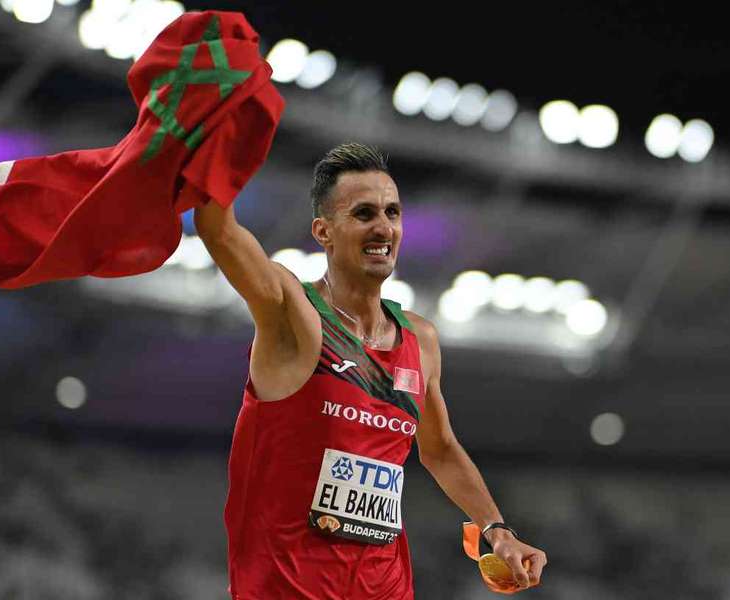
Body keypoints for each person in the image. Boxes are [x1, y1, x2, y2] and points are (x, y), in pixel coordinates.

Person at [194, 142, 547, 599]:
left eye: (392, 212)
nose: (384, 227)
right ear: (324, 231)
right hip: (286, 590)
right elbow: (217, 230)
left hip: (385, 589)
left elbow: (439, 449)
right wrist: (219, 135)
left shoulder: (420, 340)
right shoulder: (292, 312)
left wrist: (497, 530)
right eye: (363, 214)